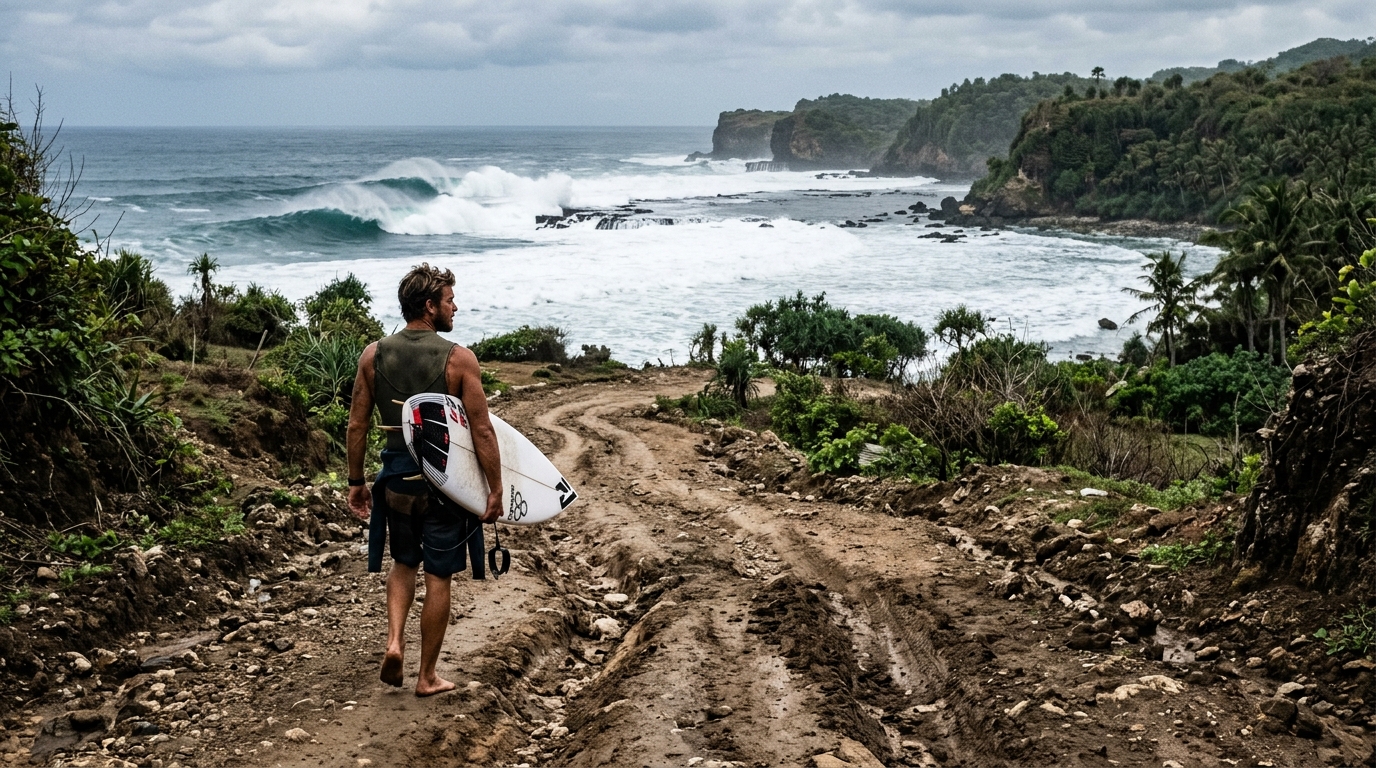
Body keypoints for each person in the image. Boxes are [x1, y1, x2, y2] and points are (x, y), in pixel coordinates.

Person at [345, 263, 503, 697]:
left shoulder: (373, 354)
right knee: (438, 577)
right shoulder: (457, 358)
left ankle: (394, 643)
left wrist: (356, 481)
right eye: (450, 300)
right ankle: (426, 676)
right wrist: (495, 487)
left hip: (396, 484)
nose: (456, 307)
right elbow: (482, 429)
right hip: (443, 489)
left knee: (402, 564)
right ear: (430, 307)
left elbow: (356, 425)